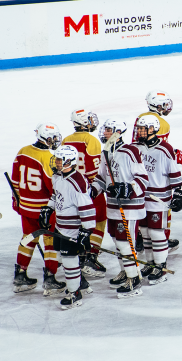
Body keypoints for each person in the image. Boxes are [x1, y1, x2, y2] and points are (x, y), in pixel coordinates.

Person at [92, 119, 149, 298]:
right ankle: (126, 271)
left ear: (118, 132)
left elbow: (143, 178)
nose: (105, 133)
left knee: (125, 243)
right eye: (105, 129)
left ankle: (134, 279)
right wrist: (93, 190)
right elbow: (102, 177)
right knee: (118, 242)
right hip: (113, 206)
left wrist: (127, 188)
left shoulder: (131, 151)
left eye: (109, 130)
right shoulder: (106, 152)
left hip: (130, 207)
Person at [10, 123, 66, 296]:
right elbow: (53, 186)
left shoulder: (22, 151)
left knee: (28, 239)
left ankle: (20, 274)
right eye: (53, 137)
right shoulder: (48, 157)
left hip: (26, 206)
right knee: (50, 242)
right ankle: (50, 279)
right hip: (44, 209)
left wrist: (16, 201)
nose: (56, 140)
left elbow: (15, 180)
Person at [41, 145, 96, 309]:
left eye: (59, 159)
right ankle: (81, 282)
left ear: (69, 162)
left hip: (72, 229)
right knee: (59, 257)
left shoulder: (78, 182)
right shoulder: (57, 176)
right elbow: (56, 195)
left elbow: (87, 208)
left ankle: (75, 294)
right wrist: (48, 208)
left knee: (69, 260)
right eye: (56, 159)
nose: (56, 162)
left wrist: (86, 230)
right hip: (60, 226)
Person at [133, 115, 182, 285]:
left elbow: (174, 173)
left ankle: (161, 266)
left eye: (143, 128)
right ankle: (150, 263)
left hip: (158, 198)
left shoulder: (165, 149)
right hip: (140, 197)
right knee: (145, 231)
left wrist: (179, 193)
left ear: (153, 129)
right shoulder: (134, 147)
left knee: (156, 232)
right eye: (139, 128)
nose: (139, 131)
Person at [131, 91, 182, 253]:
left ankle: (140, 235)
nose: (167, 107)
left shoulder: (140, 117)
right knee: (162, 204)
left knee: (141, 204)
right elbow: (159, 149)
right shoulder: (161, 123)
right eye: (164, 104)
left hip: (137, 165)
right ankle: (162, 239)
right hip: (154, 170)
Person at [63, 109, 108, 278]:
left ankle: (79, 257)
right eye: (89, 119)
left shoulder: (66, 140)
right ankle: (91, 257)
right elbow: (95, 170)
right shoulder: (91, 139)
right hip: (89, 190)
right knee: (99, 221)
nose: (92, 121)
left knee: (79, 223)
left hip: (70, 189)